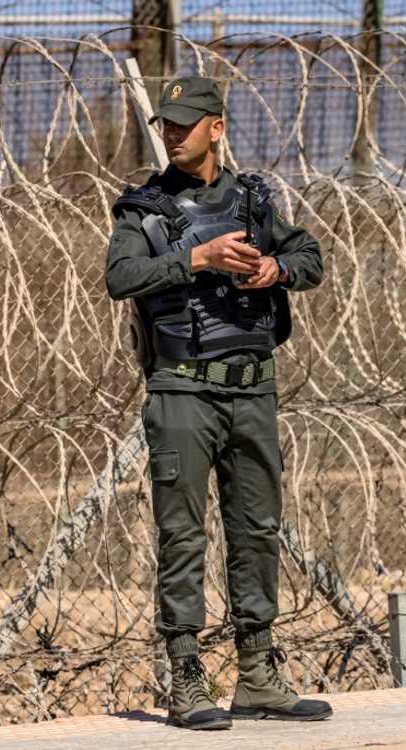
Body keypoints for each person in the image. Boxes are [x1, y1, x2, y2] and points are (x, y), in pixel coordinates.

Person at [105, 75, 330, 730]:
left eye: (185, 123)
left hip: (253, 385)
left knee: (257, 530)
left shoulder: (255, 200)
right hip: (180, 389)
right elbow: (121, 277)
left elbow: (311, 255)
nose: (173, 134)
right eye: (166, 125)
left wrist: (274, 271)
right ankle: (185, 678)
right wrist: (196, 256)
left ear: (217, 128)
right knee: (181, 534)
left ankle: (259, 675)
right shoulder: (141, 209)